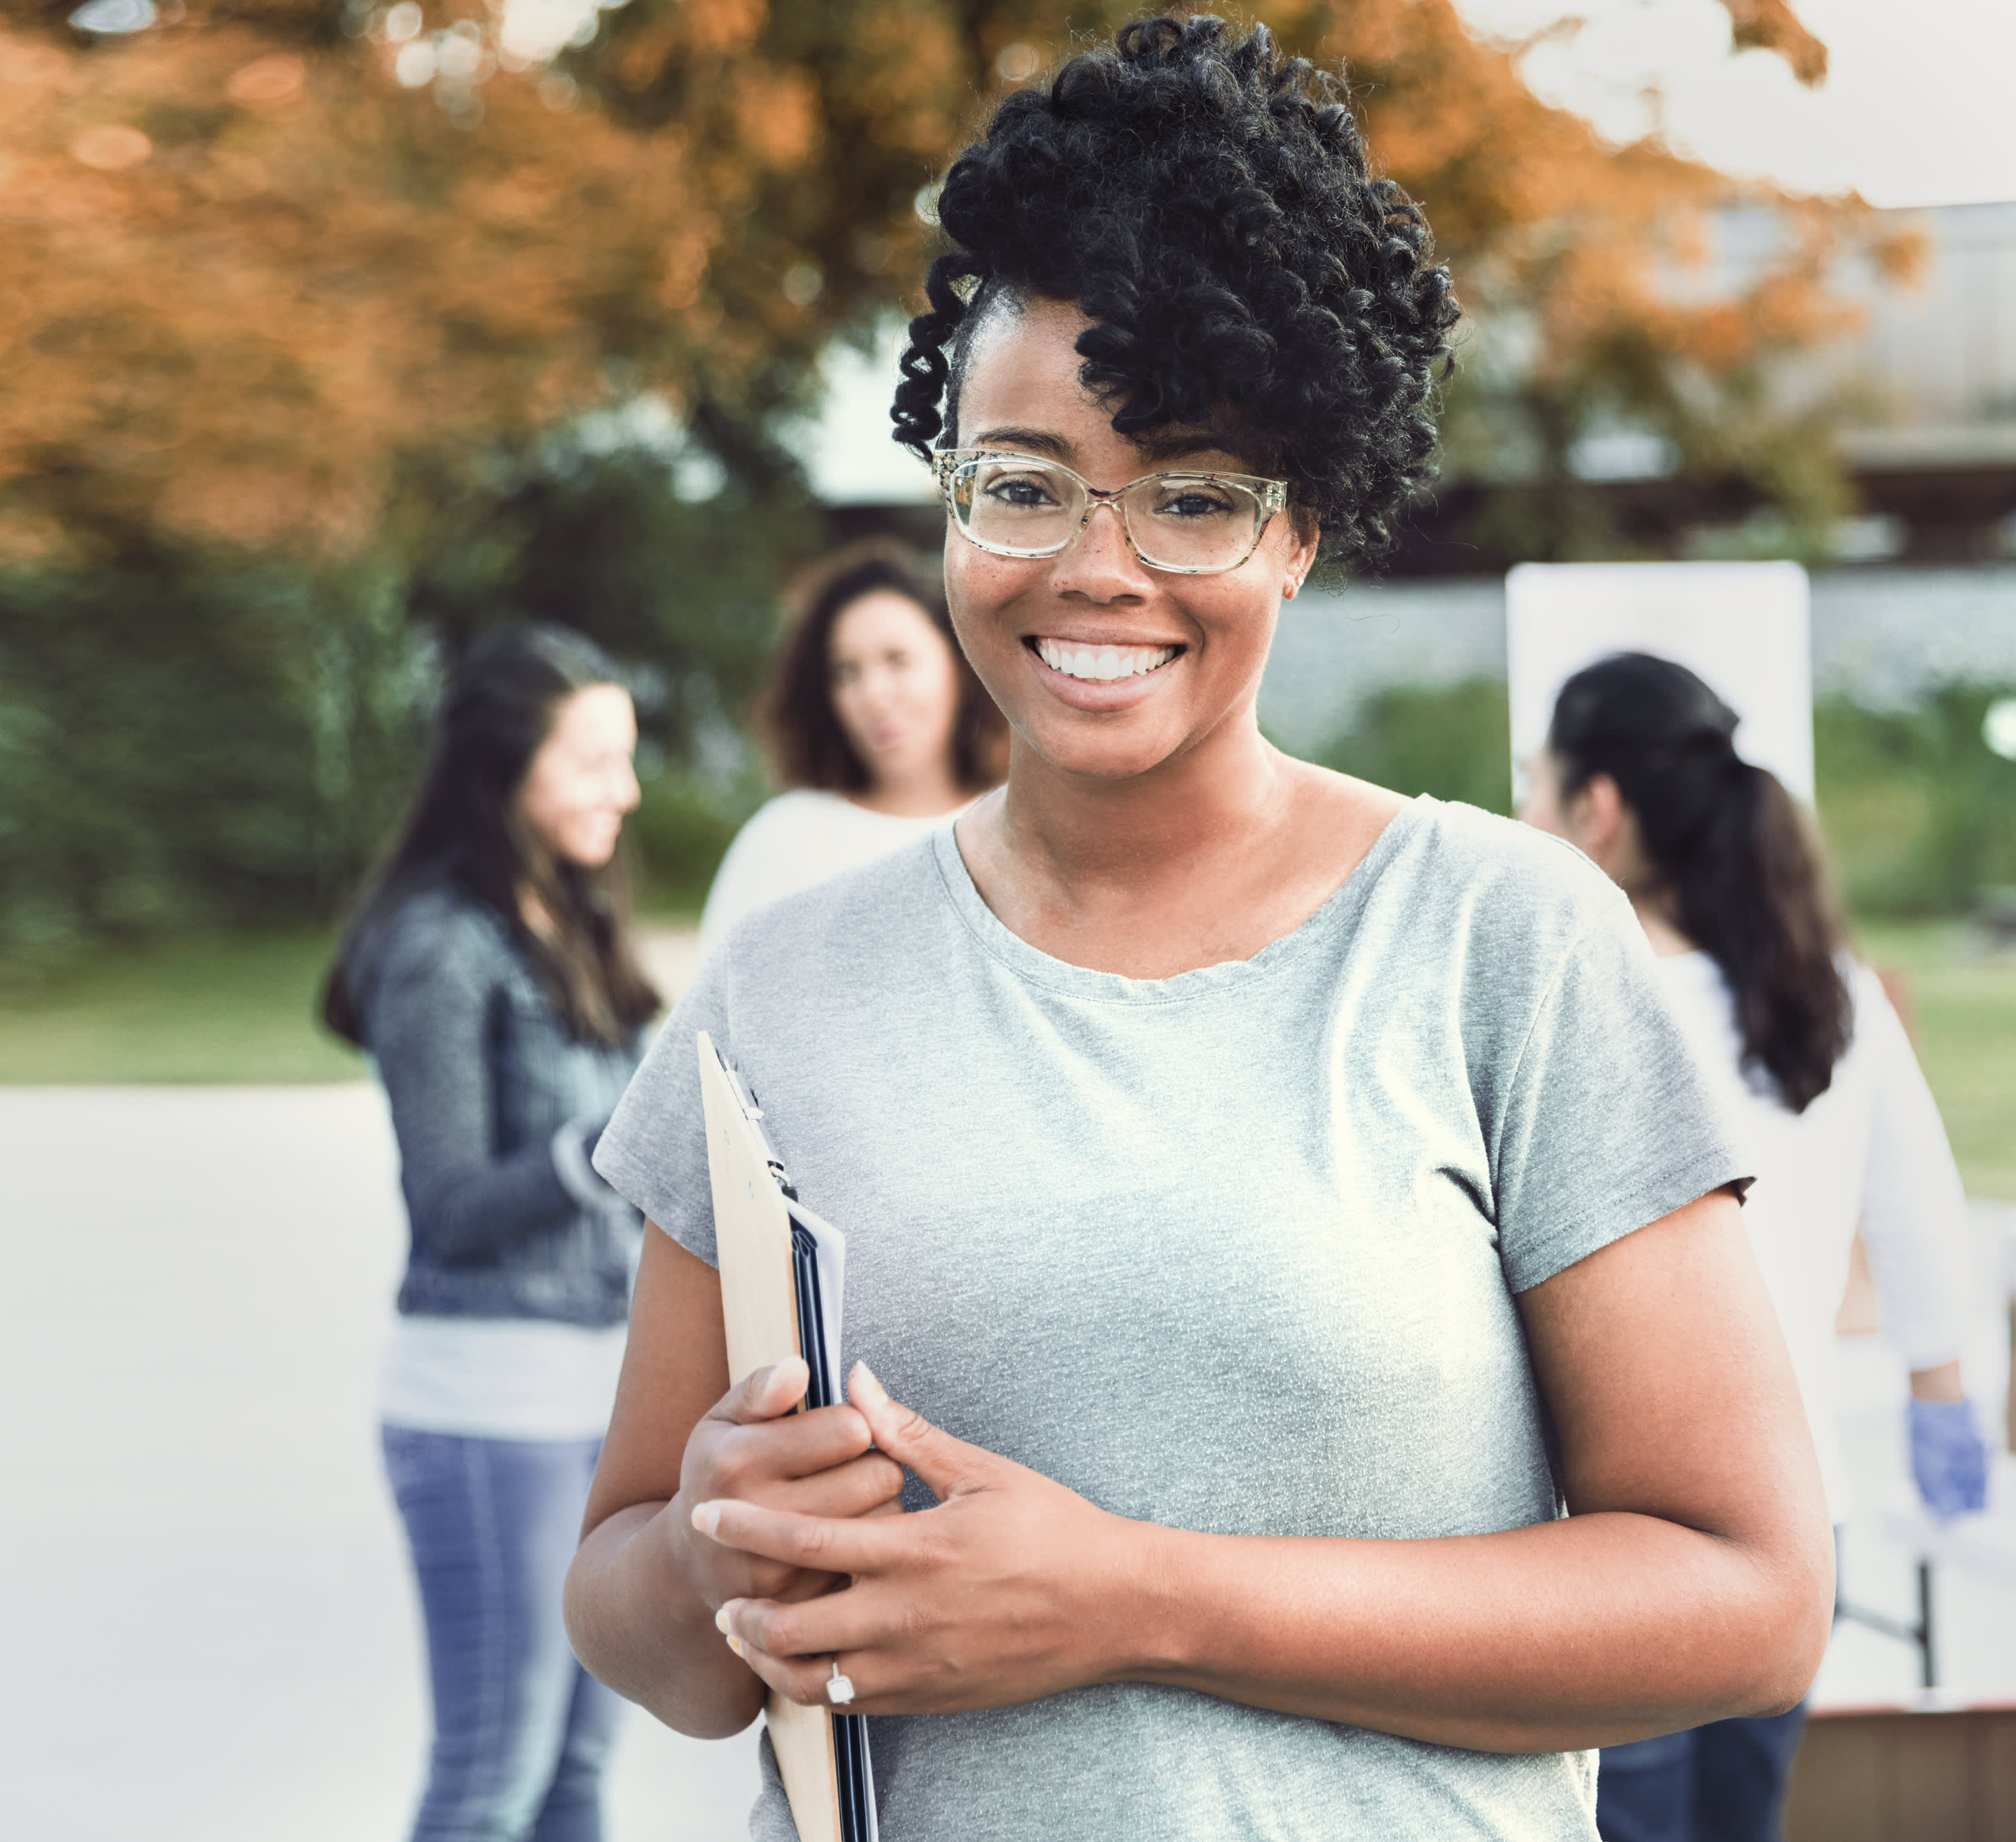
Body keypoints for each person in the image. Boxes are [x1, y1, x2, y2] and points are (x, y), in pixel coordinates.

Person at [564, 21, 1832, 1842]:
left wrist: (1131, 1599)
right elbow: (647, 1632)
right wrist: (708, 1541)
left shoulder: (1500, 941)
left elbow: (1749, 1595)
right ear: (946, 496)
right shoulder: (784, 983)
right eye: (1021, 481)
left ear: (1301, 530)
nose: (1096, 564)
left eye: (1191, 495)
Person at [1517, 651, 1990, 1842]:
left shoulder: (1572, 1001)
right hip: (1797, 1519)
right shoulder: (1826, 990)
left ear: (1599, 809)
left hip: (1612, 1539)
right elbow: (1921, 1215)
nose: (1522, 819)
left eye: (1535, 786)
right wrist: (1943, 1398)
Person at [321, 624, 661, 1842]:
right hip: (484, 1407)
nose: (622, 791)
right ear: (501, 769)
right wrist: (610, 1145)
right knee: (491, 1784)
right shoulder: (437, 945)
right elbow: (450, 1209)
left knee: (575, 1781)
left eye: (625, 760)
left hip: (595, 1405)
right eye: (591, 763)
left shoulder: (568, 919)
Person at [696, 544, 1006, 957]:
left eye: (898, 660)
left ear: (963, 665)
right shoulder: (785, 838)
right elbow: (715, 1009)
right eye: (847, 673)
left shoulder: (1023, 831)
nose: (873, 696)